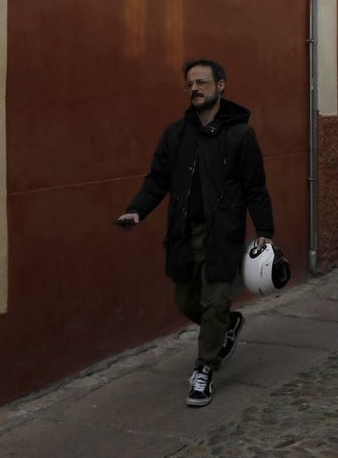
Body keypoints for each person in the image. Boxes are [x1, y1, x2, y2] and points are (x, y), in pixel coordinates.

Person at [117, 58, 274, 408]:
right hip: (184, 233)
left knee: (214, 301)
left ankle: (204, 369)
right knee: (186, 301)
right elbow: (157, 179)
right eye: (190, 84)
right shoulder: (176, 134)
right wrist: (137, 209)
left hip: (222, 234)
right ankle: (227, 325)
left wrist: (264, 229)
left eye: (202, 82)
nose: (195, 89)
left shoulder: (240, 135)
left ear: (221, 85)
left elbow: (255, 186)